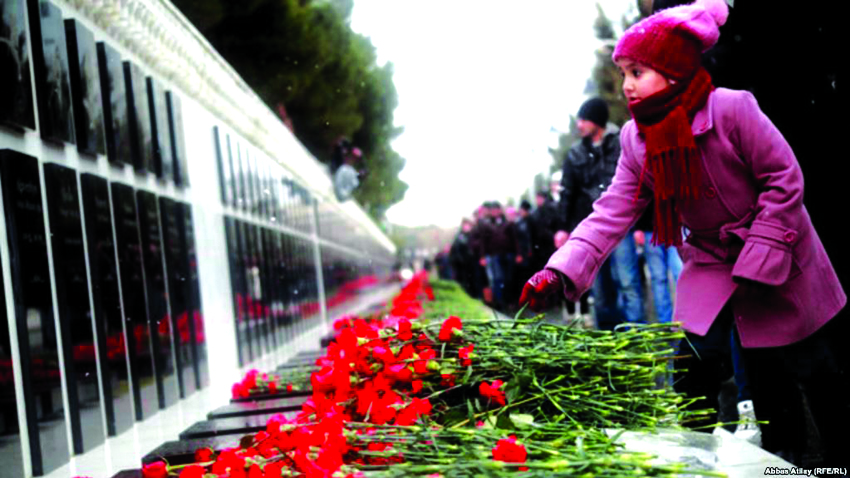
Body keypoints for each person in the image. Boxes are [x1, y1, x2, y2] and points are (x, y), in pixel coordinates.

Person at [520, 0, 848, 466]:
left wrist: (761, 253)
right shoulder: (637, 140)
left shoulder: (734, 109)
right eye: (624, 74)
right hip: (712, 260)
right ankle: (697, 461)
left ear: (673, 70)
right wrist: (558, 272)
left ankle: (823, 461)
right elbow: (609, 212)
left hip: (780, 249)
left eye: (638, 71)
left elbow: (785, 179)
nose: (627, 85)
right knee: (693, 365)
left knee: (807, 370)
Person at [560, 98, 644, 329]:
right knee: (599, 285)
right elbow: (568, 192)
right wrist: (563, 227)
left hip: (622, 224)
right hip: (593, 227)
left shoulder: (620, 143)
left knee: (627, 281)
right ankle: (609, 337)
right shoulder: (575, 154)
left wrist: (640, 226)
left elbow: (638, 183)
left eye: (584, 119)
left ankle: (637, 333)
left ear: (597, 121)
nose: (579, 124)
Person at [477, 202, 519, 311]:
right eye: (493, 210)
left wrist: (518, 253)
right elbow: (483, 242)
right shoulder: (486, 225)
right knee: (498, 280)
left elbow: (515, 239)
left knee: (510, 278)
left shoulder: (508, 223)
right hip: (495, 255)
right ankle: (500, 303)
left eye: (497, 209)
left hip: (508, 254)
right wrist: (482, 256)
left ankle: (511, 301)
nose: (495, 212)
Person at [450, 218, 477, 296]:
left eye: (468, 225)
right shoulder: (460, 236)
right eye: (464, 225)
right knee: (464, 280)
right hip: (462, 263)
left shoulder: (472, 235)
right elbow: (456, 249)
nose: (466, 227)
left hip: (471, 262)